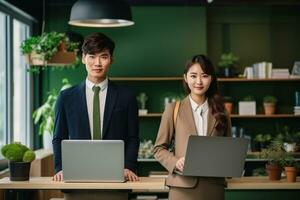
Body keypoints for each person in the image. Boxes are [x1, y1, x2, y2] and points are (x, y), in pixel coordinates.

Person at [52, 32, 140, 199]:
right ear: (84, 58)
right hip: (75, 179)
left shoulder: (127, 96)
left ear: (111, 59)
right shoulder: (66, 97)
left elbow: (133, 137)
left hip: (116, 179)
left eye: (104, 57)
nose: (97, 63)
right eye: (92, 56)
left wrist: (128, 166)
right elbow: (58, 137)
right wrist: (60, 168)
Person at [153, 54, 232, 200]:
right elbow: (158, 149)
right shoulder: (173, 109)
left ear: (211, 78)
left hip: (214, 187)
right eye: (193, 76)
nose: (199, 81)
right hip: (182, 188)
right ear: (185, 78)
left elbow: (229, 151)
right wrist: (175, 162)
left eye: (204, 76)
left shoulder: (222, 112)